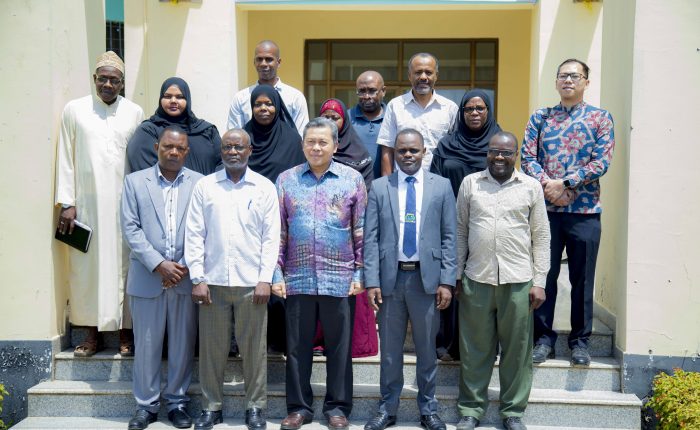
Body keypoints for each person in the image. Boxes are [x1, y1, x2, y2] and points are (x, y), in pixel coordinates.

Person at [273, 118, 367, 430]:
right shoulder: (286, 180)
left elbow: (360, 230)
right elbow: (278, 232)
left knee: (339, 348)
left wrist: (360, 273)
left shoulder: (352, 180)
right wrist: (276, 273)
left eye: (323, 142)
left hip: (340, 278)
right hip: (297, 278)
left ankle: (337, 407)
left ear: (335, 146)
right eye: (310, 142)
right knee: (297, 348)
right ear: (303, 145)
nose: (316, 147)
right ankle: (299, 408)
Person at [521, 58, 615, 367]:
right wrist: (549, 186)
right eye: (563, 75)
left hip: (585, 212)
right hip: (545, 212)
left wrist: (566, 183)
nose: (568, 80)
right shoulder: (541, 117)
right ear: (556, 81)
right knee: (543, 276)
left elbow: (601, 161)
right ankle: (542, 340)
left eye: (575, 76)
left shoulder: (600, 119)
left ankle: (580, 342)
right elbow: (527, 158)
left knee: (582, 280)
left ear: (586, 81)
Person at [185, 129, 281, 430]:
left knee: (254, 350)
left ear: (250, 150)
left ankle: (255, 407)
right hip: (212, 283)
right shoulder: (205, 186)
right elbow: (194, 234)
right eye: (227, 147)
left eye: (239, 147)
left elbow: (271, 238)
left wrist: (265, 279)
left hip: (252, 284)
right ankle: (211, 407)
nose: (233, 152)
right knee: (211, 350)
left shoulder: (264, 187)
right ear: (221, 151)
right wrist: (197, 277)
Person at [455, 132, 550, 430]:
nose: (499, 157)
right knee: (474, 349)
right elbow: (460, 231)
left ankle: (513, 411)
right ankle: (471, 409)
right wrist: (455, 275)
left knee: (517, 351)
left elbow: (541, 236)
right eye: (494, 151)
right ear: (487, 153)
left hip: (518, 280)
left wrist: (540, 281)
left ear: (516, 155)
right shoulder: (470, 183)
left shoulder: (531, 187)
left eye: (506, 153)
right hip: (477, 277)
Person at [364, 128, 456, 430]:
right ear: (394, 153)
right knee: (390, 352)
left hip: (426, 281)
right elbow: (370, 239)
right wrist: (372, 281)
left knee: (427, 350)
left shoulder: (441, 187)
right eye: (401, 150)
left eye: (413, 150)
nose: (407, 155)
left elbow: (449, 237)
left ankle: (428, 409)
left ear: (424, 152)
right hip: (390, 281)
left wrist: (447, 281)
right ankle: (387, 408)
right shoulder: (380, 187)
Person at [55, 51, 144, 357]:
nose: (108, 84)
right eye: (103, 79)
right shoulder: (75, 110)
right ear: (94, 79)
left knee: (124, 265)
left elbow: (139, 159)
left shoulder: (134, 112)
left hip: (123, 204)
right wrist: (67, 202)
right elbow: (65, 156)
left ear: (122, 83)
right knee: (87, 269)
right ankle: (91, 334)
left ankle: (125, 332)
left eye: (114, 80)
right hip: (87, 205)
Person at [121, 126, 202, 430]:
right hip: (147, 277)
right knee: (146, 346)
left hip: (185, 276)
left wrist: (181, 266)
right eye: (168, 146)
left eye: (179, 148)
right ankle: (146, 406)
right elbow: (130, 229)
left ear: (187, 152)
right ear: (157, 147)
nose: (173, 152)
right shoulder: (134, 182)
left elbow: (205, 228)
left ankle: (177, 402)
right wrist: (159, 265)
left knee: (182, 345)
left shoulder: (200, 184)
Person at [430, 89, 502, 362]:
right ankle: (448, 344)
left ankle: (482, 345)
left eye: (480, 108)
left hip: (486, 225)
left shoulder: (498, 143)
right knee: (452, 283)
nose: (474, 113)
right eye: (468, 109)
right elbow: (435, 183)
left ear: (488, 111)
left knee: (481, 288)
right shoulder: (447, 145)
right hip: (450, 225)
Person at [244, 84, 307, 356]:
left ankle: (280, 340)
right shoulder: (244, 137)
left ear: (278, 106)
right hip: (248, 221)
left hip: (284, 222)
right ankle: (249, 341)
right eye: (258, 104)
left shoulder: (292, 140)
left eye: (269, 104)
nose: (264, 108)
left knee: (279, 282)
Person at [314, 98, 377, 358]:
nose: (330, 121)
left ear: (345, 121)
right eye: (325, 116)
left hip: (348, 236)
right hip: (318, 236)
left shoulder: (359, 156)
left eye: (335, 117)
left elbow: (365, 197)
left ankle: (353, 343)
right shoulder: (313, 150)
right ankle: (318, 340)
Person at [376, 53, 458, 175]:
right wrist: (387, 183)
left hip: (439, 179)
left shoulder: (450, 108)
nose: (423, 77)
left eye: (428, 72)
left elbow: (456, 150)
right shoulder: (395, 106)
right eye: (418, 72)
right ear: (409, 76)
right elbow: (387, 148)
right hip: (403, 180)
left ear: (436, 76)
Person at [127, 77, 222, 175]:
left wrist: (210, 184)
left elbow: (223, 162)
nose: (173, 101)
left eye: (179, 97)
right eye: (167, 96)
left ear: (187, 99)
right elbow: (145, 172)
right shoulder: (149, 130)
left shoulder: (207, 130)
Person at [228, 40, 309, 135]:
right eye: (259, 59)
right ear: (254, 62)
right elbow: (234, 136)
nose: (263, 64)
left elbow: (302, 136)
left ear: (278, 62)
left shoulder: (295, 97)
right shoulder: (241, 98)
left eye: (269, 59)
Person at [348, 71, 387, 180]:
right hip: (352, 186)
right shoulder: (346, 119)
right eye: (361, 91)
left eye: (372, 91)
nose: (366, 96)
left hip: (385, 186)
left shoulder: (392, 119)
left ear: (383, 91)